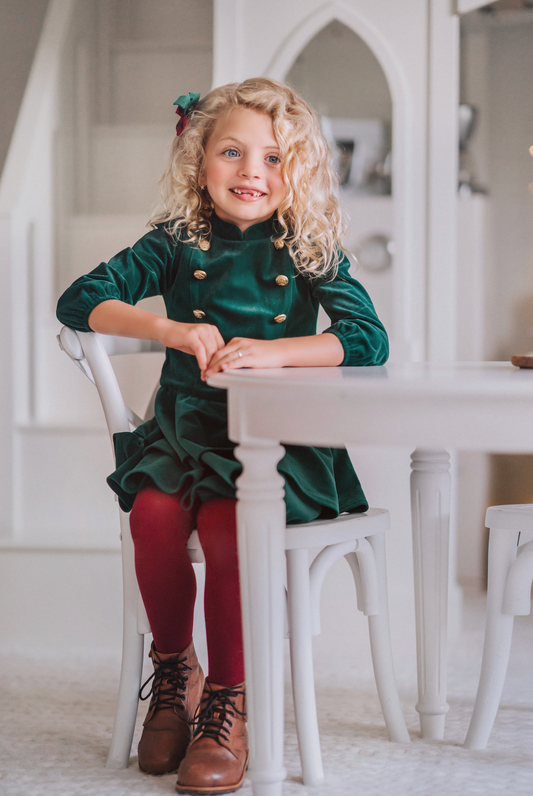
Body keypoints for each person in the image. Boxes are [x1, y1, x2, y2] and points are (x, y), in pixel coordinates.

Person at [56, 78, 388, 795]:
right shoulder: (175, 241)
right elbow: (80, 300)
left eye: (273, 158)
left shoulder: (309, 247)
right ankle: (174, 672)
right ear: (198, 159)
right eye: (232, 152)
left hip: (275, 440)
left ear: (294, 171)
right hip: (182, 428)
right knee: (152, 514)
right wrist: (169, 328)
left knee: (233, 523)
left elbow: (366, 340)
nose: (251, 172)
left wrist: (277, 351)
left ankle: (227, 702)